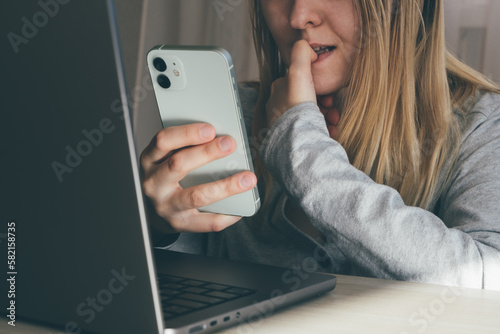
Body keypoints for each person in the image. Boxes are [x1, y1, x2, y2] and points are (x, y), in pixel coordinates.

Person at [140, 0, 500, 290]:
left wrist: (301, 149)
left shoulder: (483, 125)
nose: (299, 16)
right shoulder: (235, 114)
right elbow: (191, 281)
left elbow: (485, 279)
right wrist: (158, 228)